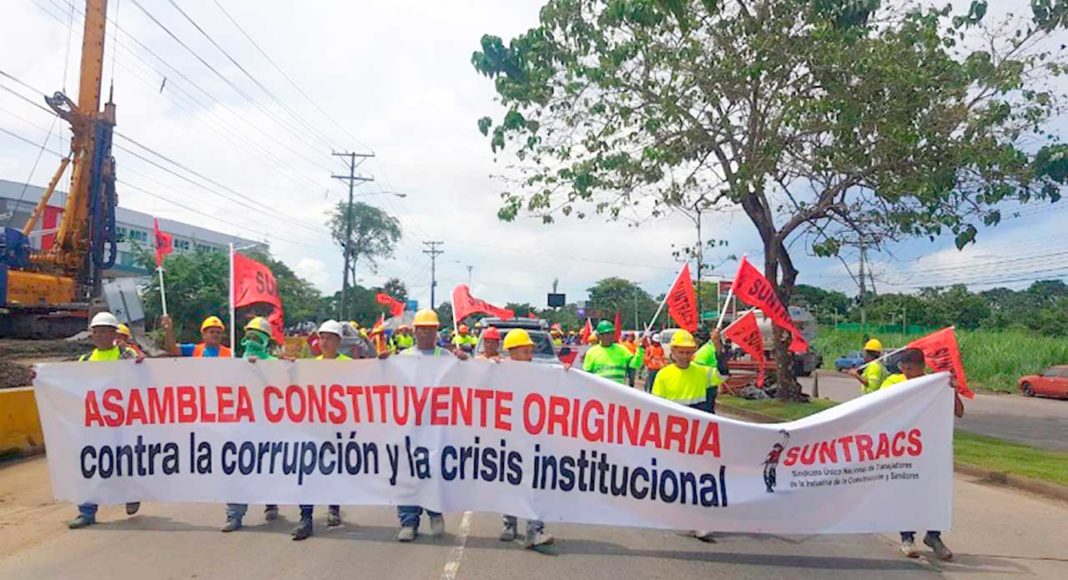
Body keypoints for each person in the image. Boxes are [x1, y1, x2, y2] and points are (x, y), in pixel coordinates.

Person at [880, 347, 963, 561]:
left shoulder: (937, 384)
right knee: (906, 492)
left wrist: (951, 390)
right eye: (903, 368)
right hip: (903, 448)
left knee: (935, 492)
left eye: (911, 368)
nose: (907, 372)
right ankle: (907, 537)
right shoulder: (893, 383)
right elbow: (877, 409)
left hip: (932, 448)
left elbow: (959, 412)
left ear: (921, 367)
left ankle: (934, 536)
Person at [392, 309, 468, 541]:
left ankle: (435, 513)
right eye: (421, 328)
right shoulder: (403, 357)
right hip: (409, 426)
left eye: (430, 328)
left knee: (433, 470)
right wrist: (382, 364)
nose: (425, 332)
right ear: (414, 331)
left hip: (436, 427)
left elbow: (467, 381)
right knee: (407, 472)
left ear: (436, 331)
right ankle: (408, 521)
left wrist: (464, 362)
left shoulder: (444, 356)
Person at [68, 312, 145, 529]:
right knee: (90, 466)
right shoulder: (84, 360)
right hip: (96, 424)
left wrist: (141, 363)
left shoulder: (126, 355)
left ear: (114, 334)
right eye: (97, 331)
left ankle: (132, 492)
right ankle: (86, 511)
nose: (100, 335)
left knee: (125, 461)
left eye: (105, 331)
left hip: (123, 422)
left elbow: (144, 375)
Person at [650, 329, 716, 542]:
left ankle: (698, 521)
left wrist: (718, 345)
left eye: (689, 352)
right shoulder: (663, 375)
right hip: (673, 436)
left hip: (700, 435)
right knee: (678, 476)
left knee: (698, 476)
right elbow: (655, 406)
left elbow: (723, 373)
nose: (685, 356)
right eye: (681, 352)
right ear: (673, 352)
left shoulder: (702, 372)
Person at [496, 329, 555, 549]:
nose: (530, 355)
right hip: (507, 439)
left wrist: (567, 373)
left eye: (530, 351)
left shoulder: (539, 373)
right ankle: (509, 524)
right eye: (525, 351)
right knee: (510, 482)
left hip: (531, 438)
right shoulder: (498, 371)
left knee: (533, 483)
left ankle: (534, 530)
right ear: (512, 352)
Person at [291, 320, 349, 541]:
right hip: (313, 427)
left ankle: (334, 508)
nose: (324, 342)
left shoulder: (349, 364)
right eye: (321, 337)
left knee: (334, 470)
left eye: (329, 338)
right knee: (307, 471)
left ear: (338, 341)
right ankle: (306, 517)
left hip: (339, 428)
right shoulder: (310, 365)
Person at [222, 316, 280, 532]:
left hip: (268, 425)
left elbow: (283, 387)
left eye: (258, 336)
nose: (253, 340)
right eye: (250, 335)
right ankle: (234, 514)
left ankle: (271, 501)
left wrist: (265, 369)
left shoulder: (274, 363)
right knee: (238, 468)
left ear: (267, 340)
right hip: (241, 425)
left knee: (268, 465)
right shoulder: (235, 363)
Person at [162, 315, 232, 358]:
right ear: (204, 335)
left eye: (218, 332)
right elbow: (171, 349)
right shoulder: (194, 349)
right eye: (211, 332)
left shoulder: (230, 353)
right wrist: (169, 330)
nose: (215, 334)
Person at [691, 328, 725, 412]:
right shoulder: (711, 347)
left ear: (699, 339)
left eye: (695, 339)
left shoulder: (704, 351)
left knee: (703, 411)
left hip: (703, 386)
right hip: (711, 385)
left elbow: (696, 369)